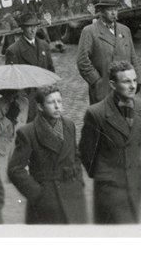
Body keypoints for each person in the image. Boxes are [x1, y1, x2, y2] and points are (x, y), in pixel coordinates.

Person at [7, 84, 87, 225]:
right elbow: (15, 170)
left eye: (59, 101)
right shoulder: (28, 132)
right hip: (47, 200)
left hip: (73, 196)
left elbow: (75, 155)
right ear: (40, 107)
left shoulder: (69, 125)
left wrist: (79, 182)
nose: (57, 106)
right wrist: (37, 194)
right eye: (51, 102)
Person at [78, 61, 141, 224]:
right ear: (113, 85)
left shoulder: (140, 107)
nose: (132, 86)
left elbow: (136, 144)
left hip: (135, 184)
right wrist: (104, 176)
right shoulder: (97, 113)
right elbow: (86, 152)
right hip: (110, 189)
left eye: (134, 81)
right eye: (126, 81)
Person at [76, 0, 138, 105]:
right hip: (104, 89)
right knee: (104, 119)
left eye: (116, 9)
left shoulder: (125, 30)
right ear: (101, 11)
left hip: (124, 87)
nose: (114, 13)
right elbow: (82, 61)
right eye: (110, 10)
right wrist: (97, 81)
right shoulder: (90, 31)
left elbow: (133, 57)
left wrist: (137, 79)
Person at [0, 88, 33, 165]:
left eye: (14, 91)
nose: (12, 93)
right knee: (1, 175)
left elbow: (28, 124)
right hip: (2, 148)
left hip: (20, 145)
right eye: (8, 91)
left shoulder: (24, 102)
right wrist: (8, 116)